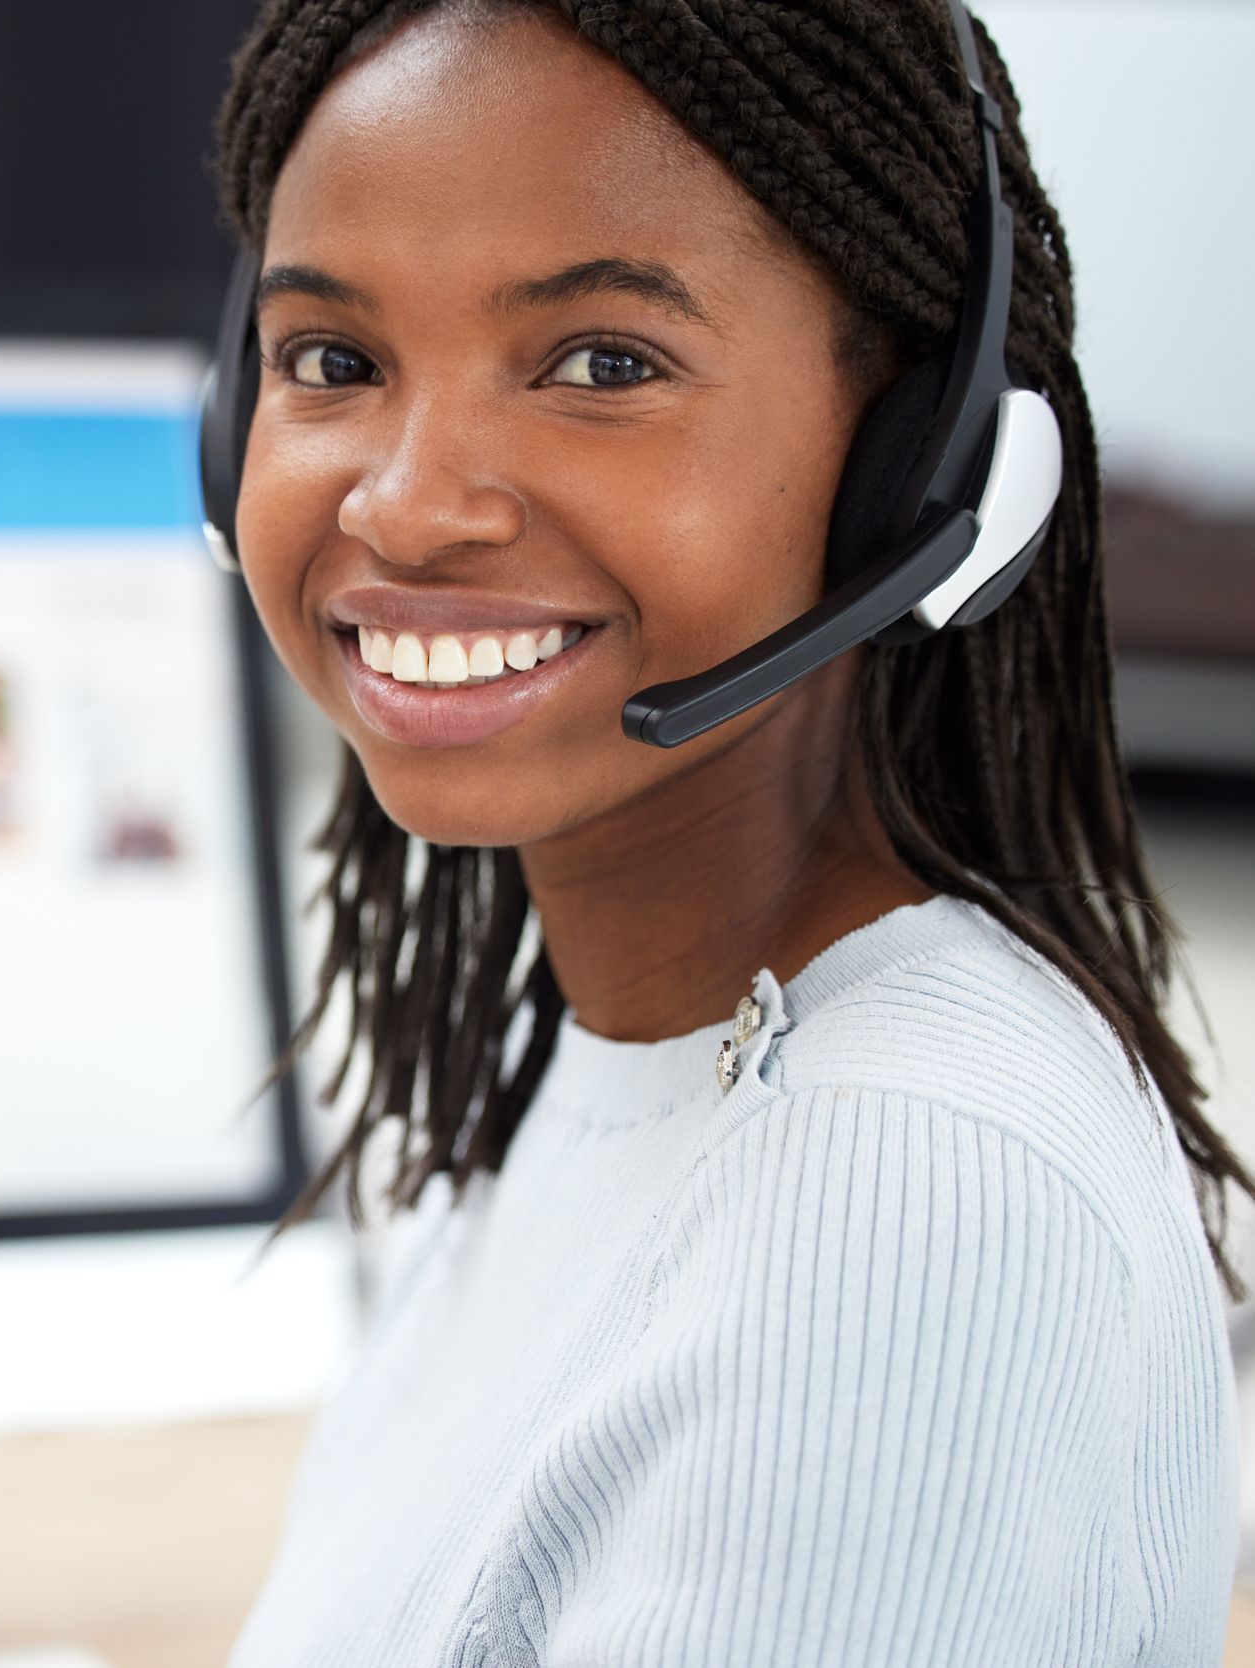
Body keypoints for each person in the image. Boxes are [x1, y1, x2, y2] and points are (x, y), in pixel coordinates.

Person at [211, 2, 1248, 1663]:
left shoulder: (902, 1189)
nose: (404, 502)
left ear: (917, 472)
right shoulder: (625, 1040)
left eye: (603, 365)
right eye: (332, 362)